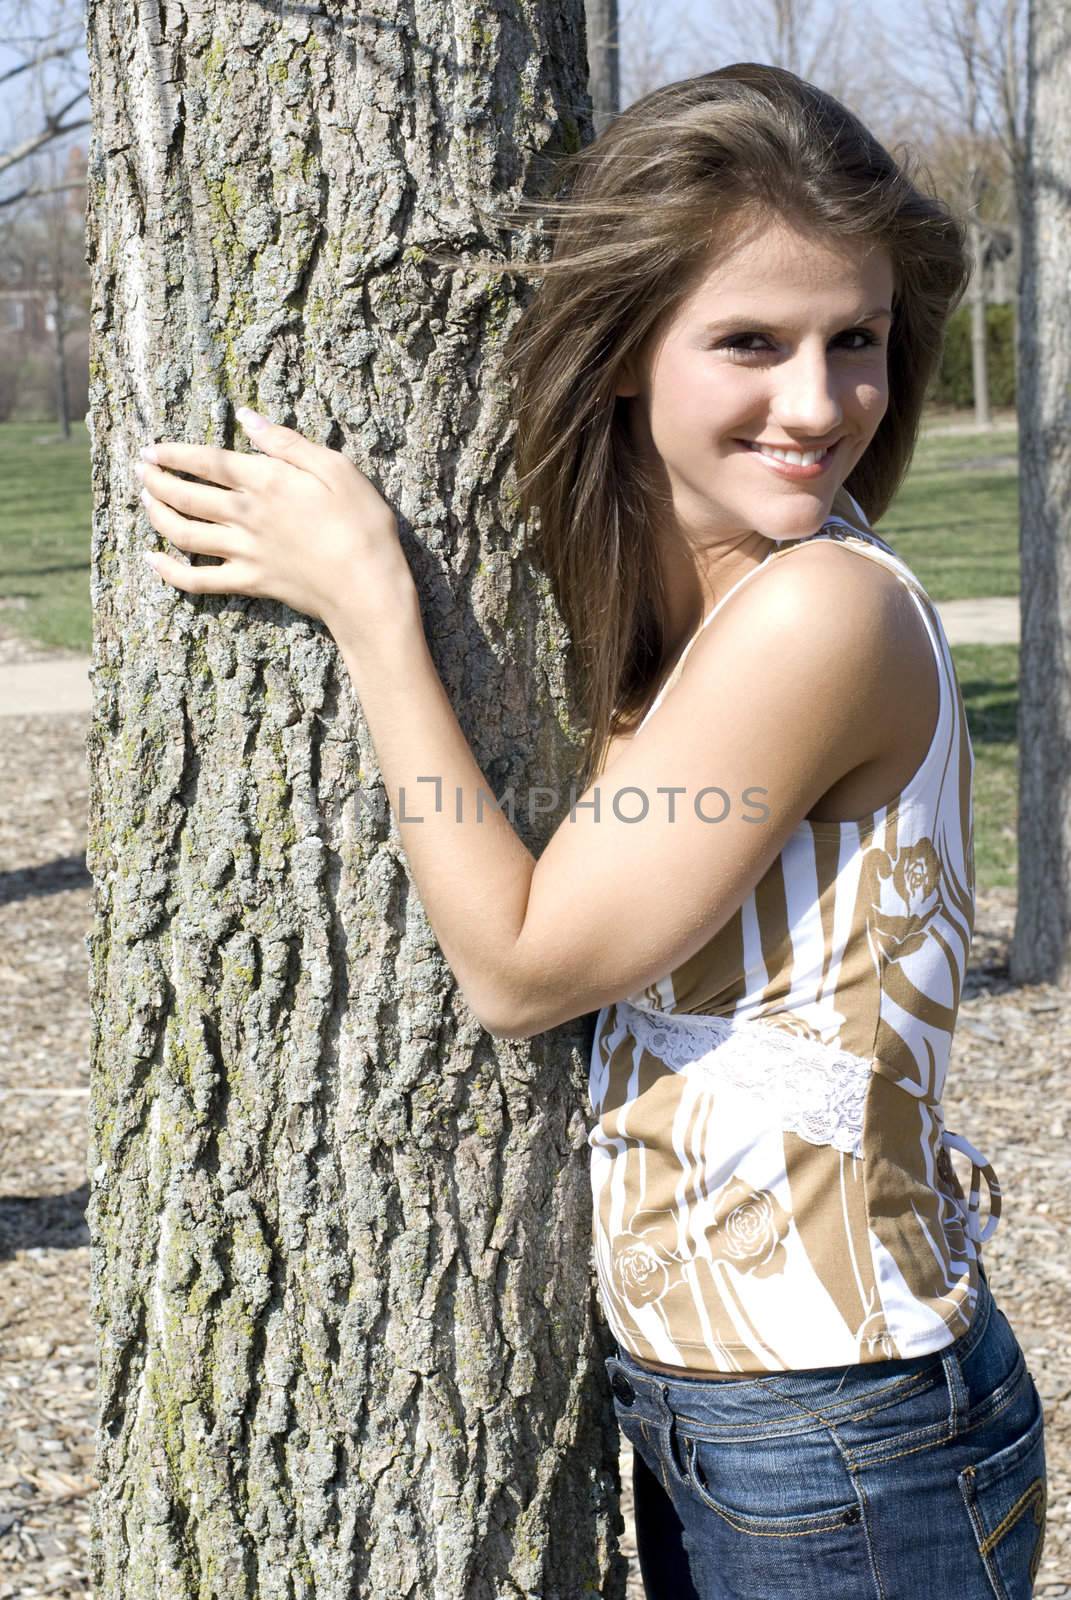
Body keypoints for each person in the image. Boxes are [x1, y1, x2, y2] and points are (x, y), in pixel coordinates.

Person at [135, 59, 1046, 1600]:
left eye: (860, 343)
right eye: (751, 342)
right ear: (626, 349)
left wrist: (374, 606)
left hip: (830, 1430)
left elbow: (522, 965)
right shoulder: (725, 598)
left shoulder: (821, 609)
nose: (819, 403)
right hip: (758, 1416)